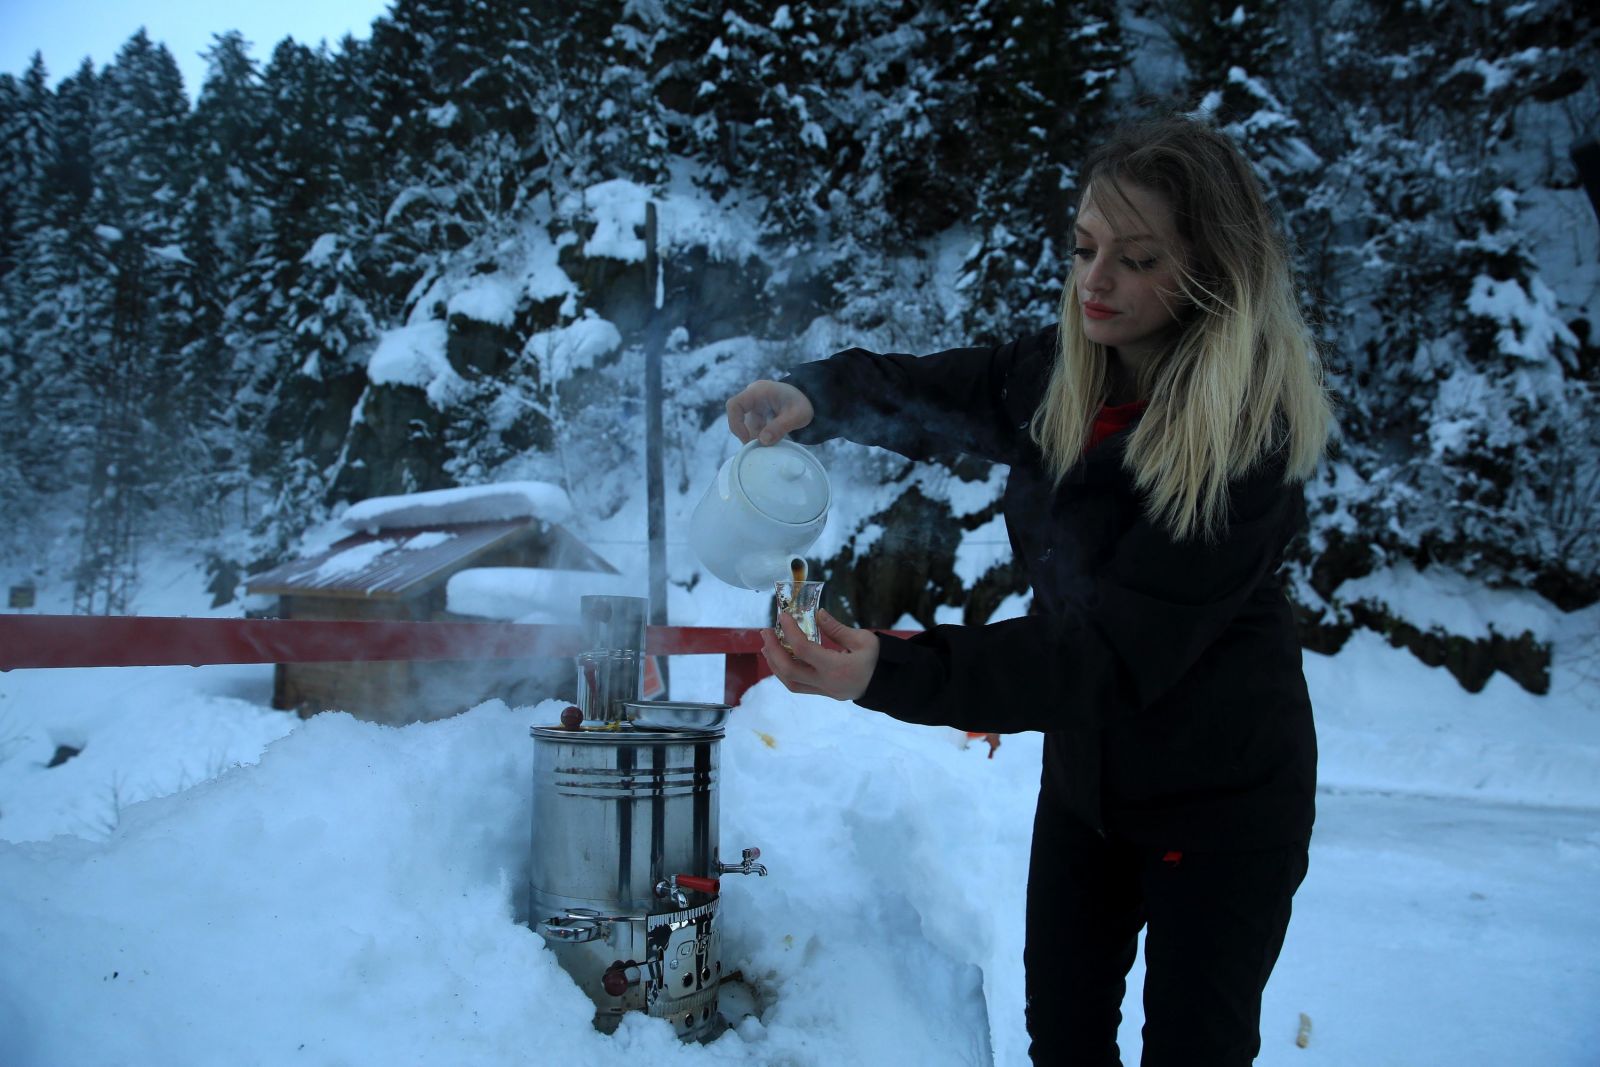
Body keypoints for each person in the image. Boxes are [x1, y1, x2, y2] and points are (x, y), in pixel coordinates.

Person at [723, 114, 1335, 1066]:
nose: (1096, 281)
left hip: (1222, 804)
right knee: (1064, 1041)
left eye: (1136, 259)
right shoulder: (1066, 371)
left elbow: (1099, 655)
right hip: (1090, 786)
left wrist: (891, 670)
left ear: (1213, 272)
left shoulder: (1244, 445)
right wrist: (820, 397)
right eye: (1085, 249)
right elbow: (952, 392)